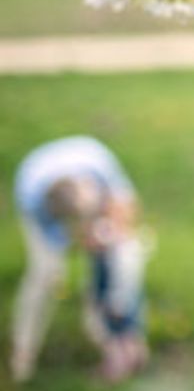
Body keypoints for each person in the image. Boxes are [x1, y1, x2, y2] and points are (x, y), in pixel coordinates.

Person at [10, 136, 150, 384]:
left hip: (86, 171)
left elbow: (127, 208)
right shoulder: (33, 199)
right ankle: (22, 353)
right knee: (46, 275)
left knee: (122, 258)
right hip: (40, 188)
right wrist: (81, 238)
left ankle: (118, 336)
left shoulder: (100, 166)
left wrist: (111, 232)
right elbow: (57, 240)